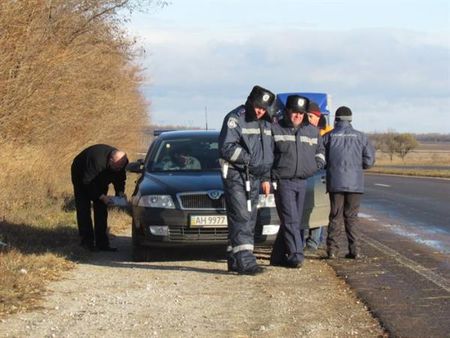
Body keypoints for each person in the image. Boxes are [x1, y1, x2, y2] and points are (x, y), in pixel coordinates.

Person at [219, 85, 275, 275]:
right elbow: (226, 147)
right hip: (236, 175)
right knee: (241, 216)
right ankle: (246, 262)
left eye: (264, 108)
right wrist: (249, 159)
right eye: (258, 106)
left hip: (256, 177)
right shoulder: (236, 118)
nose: (260, 111)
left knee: (249, 219)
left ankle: (235, 259)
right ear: (250, 101)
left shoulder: (266, 122)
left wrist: (266, 176)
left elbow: (267, 153)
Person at [270, 95, 325, 268]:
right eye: (294, 112)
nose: (298, 116)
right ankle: (296, 255)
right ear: (287, 111)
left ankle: (277, 257)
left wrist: (314, 166)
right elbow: (268, 156)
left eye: (301, 114)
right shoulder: (276, 129)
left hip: (303, 181)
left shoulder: (312, 131)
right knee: (291, 220)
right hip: (283, 181)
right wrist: (270, 176)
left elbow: (320, 152)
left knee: (293, 220)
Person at [322, 106, 375, 259]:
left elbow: (321, 158)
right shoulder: (361, 137)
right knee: (352, 217)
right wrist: (358, 167)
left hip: (335, 182)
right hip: (355, 183)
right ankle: (355, 250)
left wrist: (330, 166)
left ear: (336, 119)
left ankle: (332, 251)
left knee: (335, 216)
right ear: (351, 119)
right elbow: (369, 161)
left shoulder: (329, 136)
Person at [71, 144, 128, 251]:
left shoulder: (122, 162)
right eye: (116, 167)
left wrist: (120, 192)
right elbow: (87, 182)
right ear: (110, 160)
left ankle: (102, 243)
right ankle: (87, 242)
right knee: (83, 207)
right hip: (82, 175)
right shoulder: (96, 161)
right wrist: (101, 196)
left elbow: (120, 178)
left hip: (101, 178)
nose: (119, 169)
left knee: (101, 209)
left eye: (121, 167)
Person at [304, 102, 327, 251]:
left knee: (316, 209)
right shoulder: (301, 131)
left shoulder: (321, 134)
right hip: (303, 176)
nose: (312, 119)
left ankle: (313, 242)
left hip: (317, 177)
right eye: (310, 116)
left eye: (314, 117)